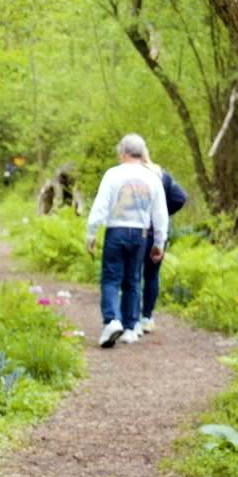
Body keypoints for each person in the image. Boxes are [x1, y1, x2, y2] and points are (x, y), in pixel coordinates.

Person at [84, 134, 169, 348]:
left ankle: (112, 320)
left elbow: (101, 206)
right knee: (132, 279)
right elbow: (160, 214)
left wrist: (91, 233)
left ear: (122, 153)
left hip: (116, 230)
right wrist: (159, 242)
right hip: (140, 234)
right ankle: (130, 328)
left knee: (111, 277)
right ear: (142, 153)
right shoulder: (153, 178)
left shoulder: (113, 175)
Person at [136, 148, 189, 334]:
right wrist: (164, 212)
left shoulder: (131, 176)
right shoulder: (162, 175)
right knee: (152, 275)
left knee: (134, 274)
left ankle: (132, 318)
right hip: (158, 232)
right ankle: (147, 318)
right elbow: (181, 197)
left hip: (136, 230)